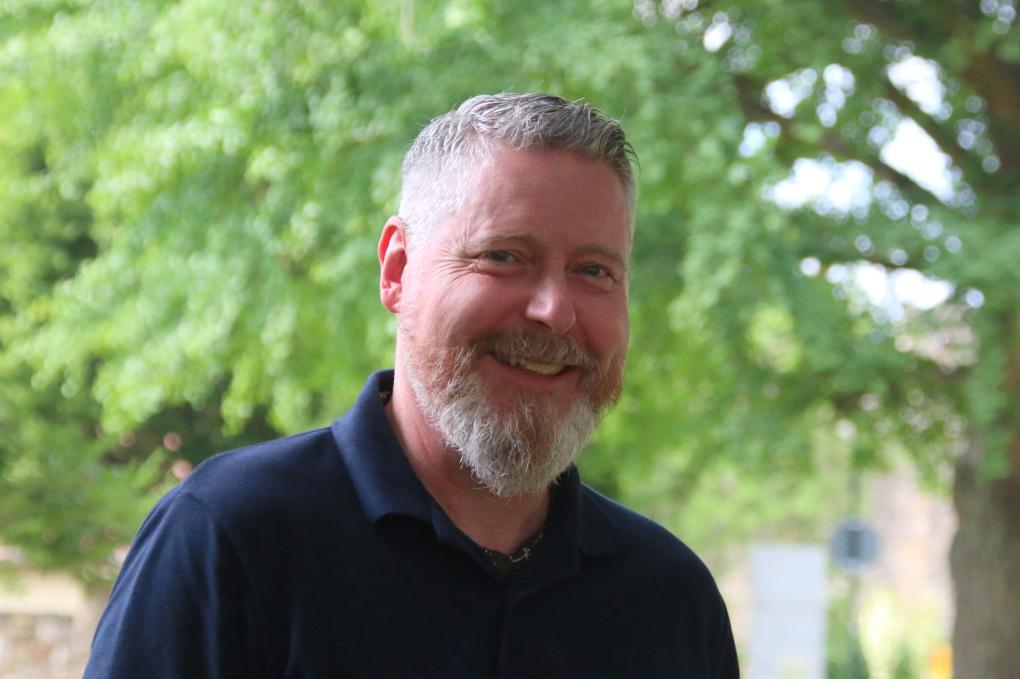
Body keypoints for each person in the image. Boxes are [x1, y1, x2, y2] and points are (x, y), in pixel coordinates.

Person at [84, 93, 740, 678]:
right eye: (504, 256)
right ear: (397, 269)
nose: (553, 311)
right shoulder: (231, 538)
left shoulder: (670, 602)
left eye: (594, 270)